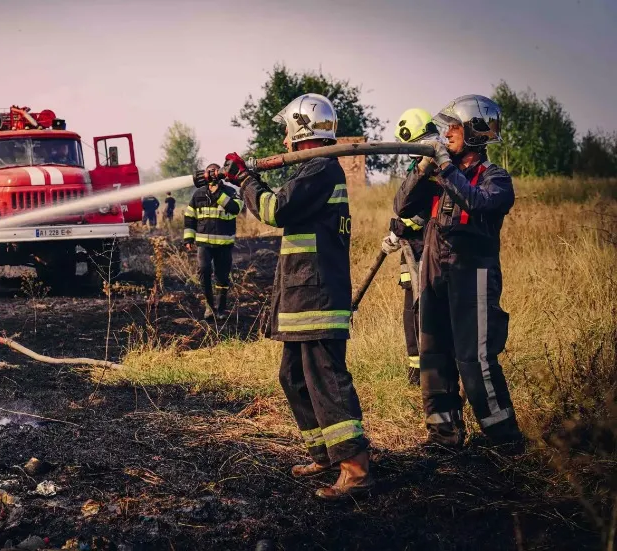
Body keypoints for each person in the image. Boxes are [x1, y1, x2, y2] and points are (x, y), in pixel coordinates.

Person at [209, 93, 372, 500]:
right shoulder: (314, 172)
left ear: (301, 130)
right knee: (294, 377)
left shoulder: (320, 169)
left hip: (316, 297)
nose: (283, 142)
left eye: (287, 132)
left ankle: (355, 469)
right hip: (303, 296)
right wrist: (237, 180)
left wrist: (246, 178)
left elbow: (274, 210)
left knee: (326, 382)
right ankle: (324, 454)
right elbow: (278, 206)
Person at [394, 94, 524, 452]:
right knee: (433, 358)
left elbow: (479, 202)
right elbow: (402, 205)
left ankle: (505, 441)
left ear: (475, 132)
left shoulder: (495, 178)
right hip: (435, 276)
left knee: (474, 362)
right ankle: (443, 436)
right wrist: (423, 169)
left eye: (454, 126)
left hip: (473, 279)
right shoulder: (438, 174)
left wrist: (445, 168)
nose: (446, 133)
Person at [383, 107, 438, 386]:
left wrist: (410, 223)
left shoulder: (436, 164)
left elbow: (404, 204)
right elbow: (412, 209)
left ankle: (424, 373)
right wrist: (400, 231)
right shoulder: (423, 164)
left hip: (428, 253)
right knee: (411, 312)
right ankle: (416, 372)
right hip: (412, 250)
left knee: (419, 312)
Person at [184, 164, 242, 321]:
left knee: (222, 277)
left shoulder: (230, 192)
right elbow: (190, 216)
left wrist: (218, 194)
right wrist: (189, 238)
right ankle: (210, 307)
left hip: (224, 244)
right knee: (204, 271)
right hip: (204, 244)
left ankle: (221, 308)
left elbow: (236, 208)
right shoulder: (198, 194)